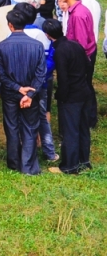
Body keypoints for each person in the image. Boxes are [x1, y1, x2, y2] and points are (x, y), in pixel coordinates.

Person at [0, 7, 46, 176]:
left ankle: (14, 162)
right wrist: (29, 94)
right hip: (31, 96)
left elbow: (0, 74)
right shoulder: (37, 46)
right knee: (30, 128)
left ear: (10, 25)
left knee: (11, 127)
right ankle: (28, 166)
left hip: (10, 94)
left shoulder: (1, 47)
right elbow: (41, 74)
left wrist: (18, 88)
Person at [43, 19, 95, 174]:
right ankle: (84, 161)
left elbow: (63, 78)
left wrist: (61, 96)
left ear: (47, 35)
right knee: (83, 128)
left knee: (70, 131)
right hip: (84, 92)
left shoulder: (60, 51)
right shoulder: (75, 45)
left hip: (71, 96)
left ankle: (69, 166)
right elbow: (87, 66)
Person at [56, 0, 97, 66]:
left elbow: (81, 43)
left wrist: (77, 64)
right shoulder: (78, 9)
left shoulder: (77, 14)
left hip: (79, 59)